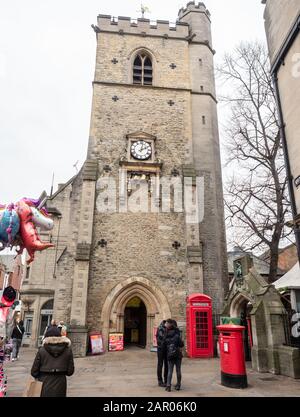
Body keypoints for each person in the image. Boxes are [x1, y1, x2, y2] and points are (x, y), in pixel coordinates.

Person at [31, 326, 74, 397]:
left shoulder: (42, 350)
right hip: (60, 382)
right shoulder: (68, 350)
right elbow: (70, 372)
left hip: (44, 382)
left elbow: (34, 372)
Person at [165, 319, 184, 392]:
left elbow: (164, 344)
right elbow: (181, 344)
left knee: (170, 370)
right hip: (178, 354)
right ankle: (178, 385)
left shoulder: (166, 335)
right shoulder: (177, 336)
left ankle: (168, 386)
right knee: (178, 370)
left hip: (170, 354)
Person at [156, 320, 168, 387]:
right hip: (161, 349)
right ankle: (160, 381)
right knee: (160, 364)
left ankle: (166, 380)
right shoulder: (160, 328)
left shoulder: (166, 328)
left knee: (167, 365)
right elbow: (162, 338)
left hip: (166, 349)